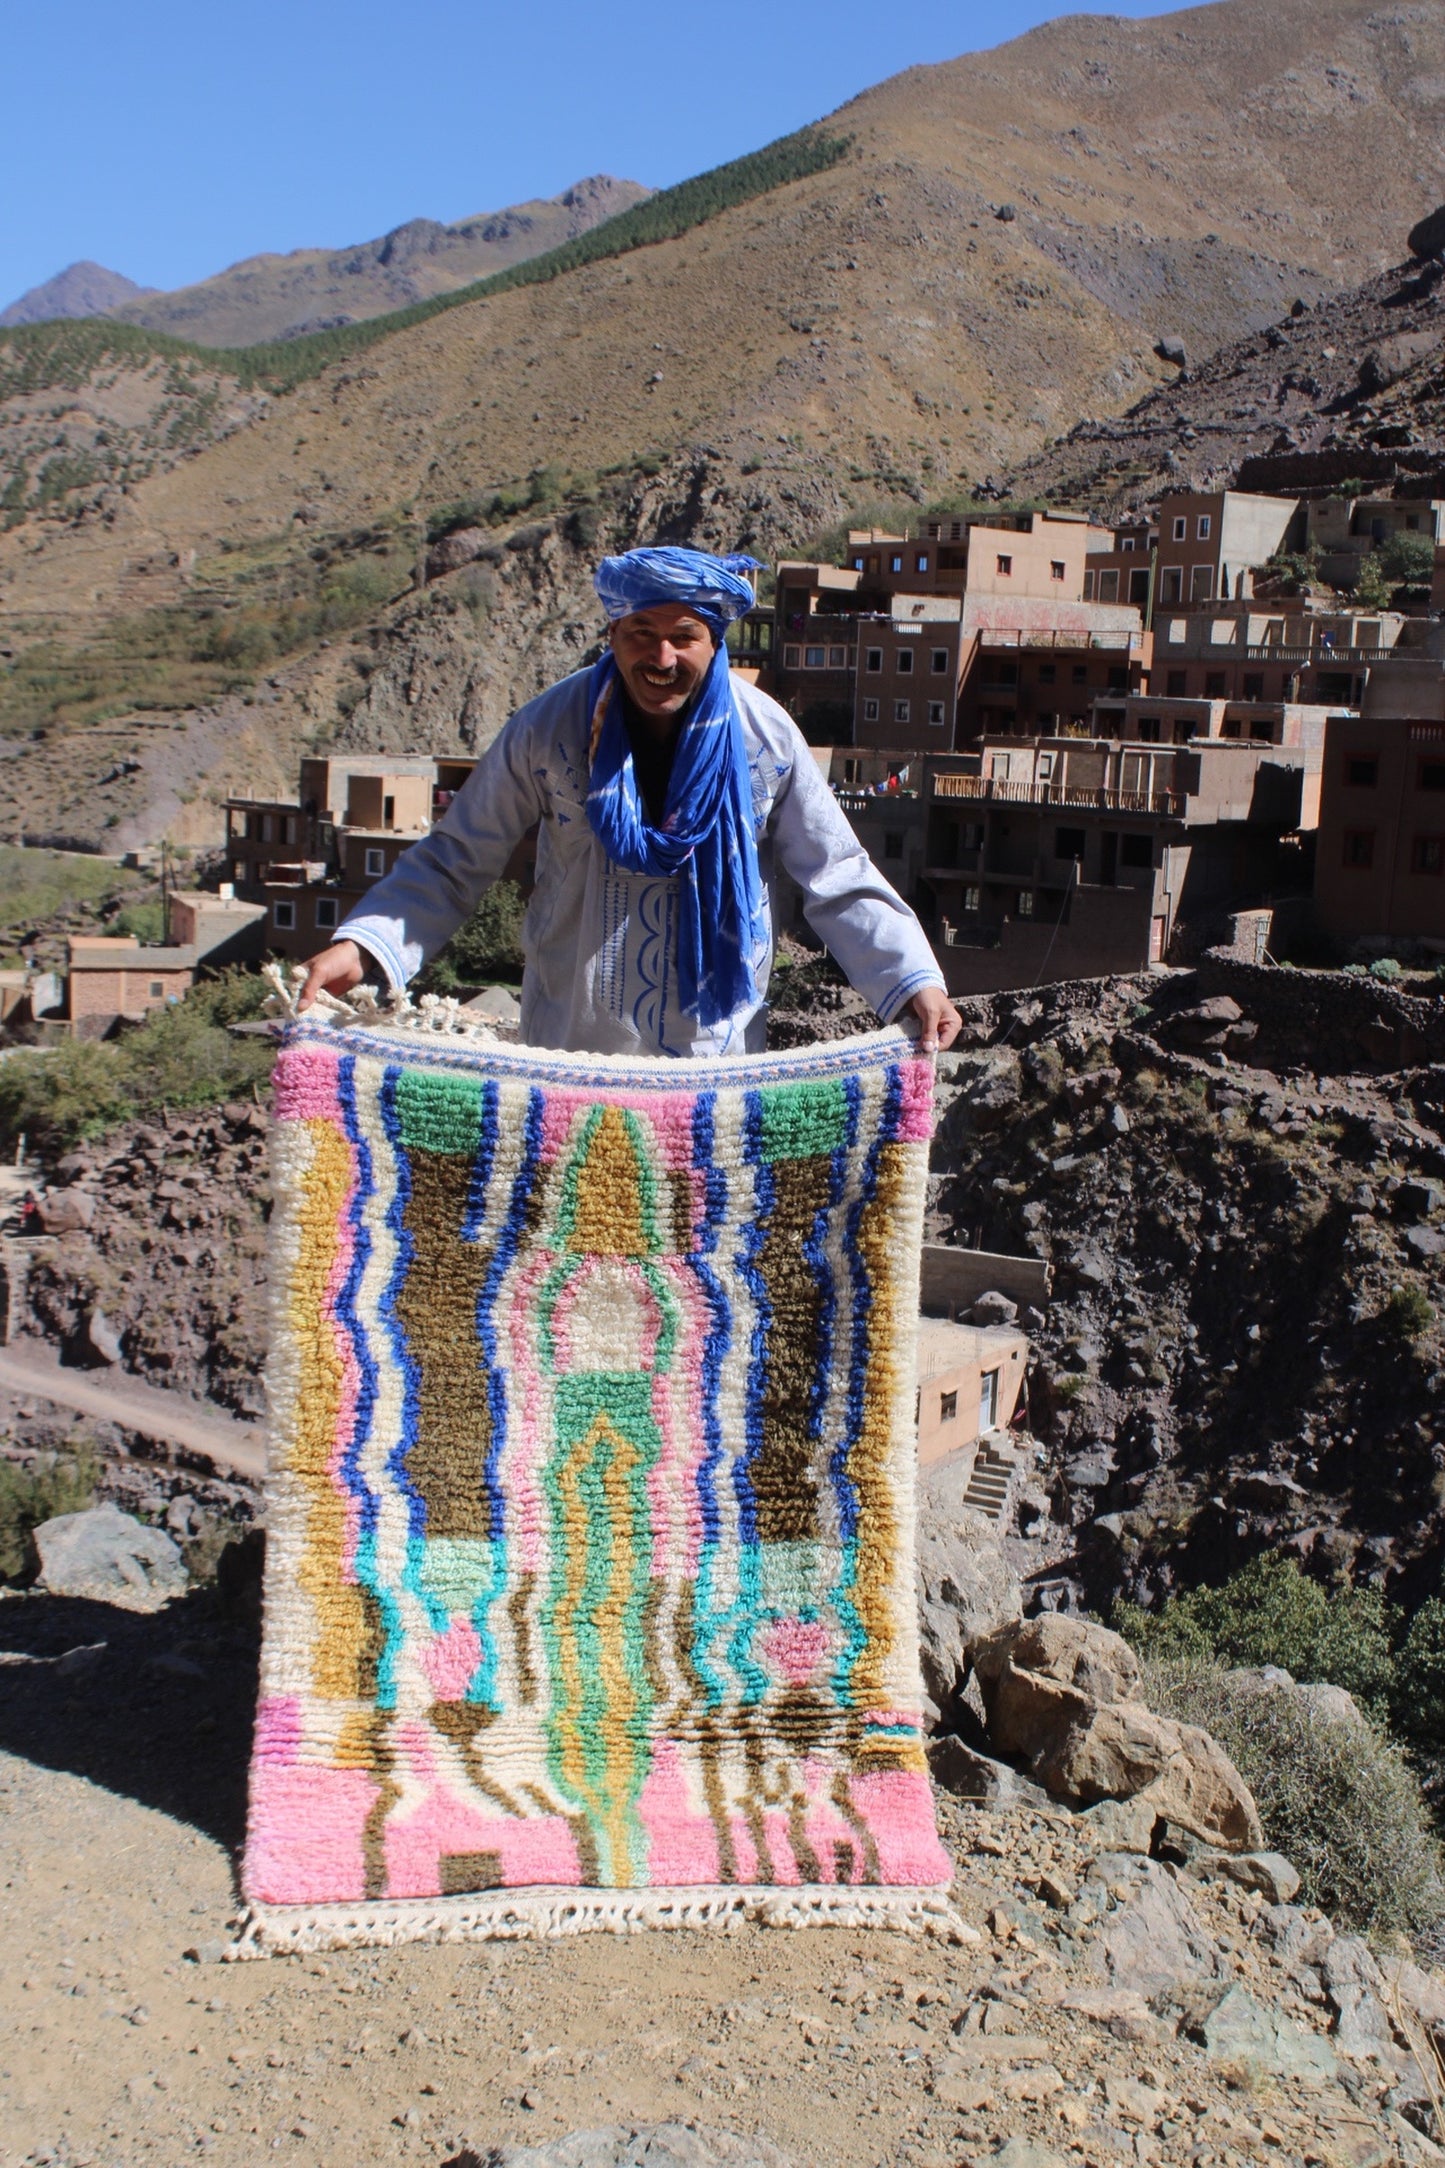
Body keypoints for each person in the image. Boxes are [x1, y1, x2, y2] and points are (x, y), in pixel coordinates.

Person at [300, 545, 962, 1059]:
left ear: (716, 641)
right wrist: (365, 949)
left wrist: (910, 982)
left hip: (714, 1059)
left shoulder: (764, 737)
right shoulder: (549, 728)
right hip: (568, 1051)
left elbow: (836, 875)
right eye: (640, 632)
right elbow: (456, 857)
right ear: (613, 633)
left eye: (684, 635)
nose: (662, 656)